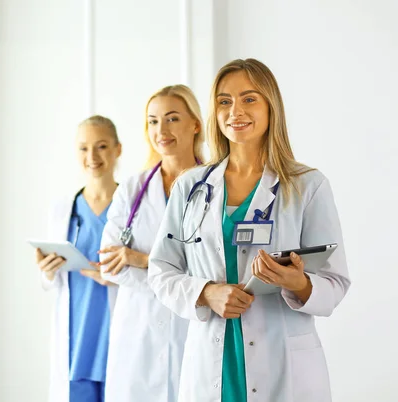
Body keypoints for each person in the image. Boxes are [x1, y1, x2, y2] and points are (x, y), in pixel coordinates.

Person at [148, 59, 350, 402]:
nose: (235, 111)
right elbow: (160, 270)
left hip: (282, 364)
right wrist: (205, 293)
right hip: (214, 362)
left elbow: (335, 282)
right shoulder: (191, 186)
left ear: (272, 106)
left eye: (249, 99)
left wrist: (297, 283)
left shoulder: (307, 185)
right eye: (224, 101)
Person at [99, 85, 205, 402]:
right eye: (153, 121)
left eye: (172, 119)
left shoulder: (217, 184)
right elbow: (109, 264)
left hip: (194, 326)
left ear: (195, 124)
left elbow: (214, 265)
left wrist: (142, 260)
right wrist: (176, 276)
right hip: (138, 329)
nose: (162, 130)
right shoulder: (132, 189)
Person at [37, 115, 121, 402]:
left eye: (101, 146)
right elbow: (51, 281)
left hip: (117, 335)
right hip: (77, 341)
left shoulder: (133, 207)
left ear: (117, 149)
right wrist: (47, 272)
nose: (92, 157)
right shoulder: (63, 209)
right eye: (83, 148)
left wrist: (115, 276)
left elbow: (152, 273)